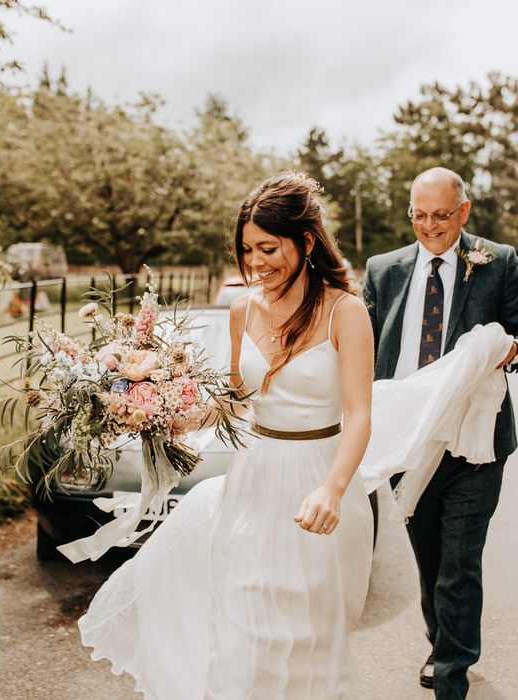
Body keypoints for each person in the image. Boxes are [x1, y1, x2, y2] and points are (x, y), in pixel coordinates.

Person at [78, 173, 375, 699]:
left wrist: (331, 488)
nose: (256, 262)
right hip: (255, 477)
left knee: (310, 629)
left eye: (268, 247)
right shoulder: (243, 309)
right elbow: (237, 398)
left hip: (320, 478)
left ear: (306, 242)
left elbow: (359, 415)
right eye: (247, 249)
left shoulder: (346, 312)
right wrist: (170, 413)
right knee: (244, 620)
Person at [363, 167, 518, 699]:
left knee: (459, 560)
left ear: (464, 211)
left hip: (474, 440)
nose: (429, 226)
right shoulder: (382, 270)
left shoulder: (499, 261)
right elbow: (359, 347)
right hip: (408, 440)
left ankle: (452, 675)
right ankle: (442, 640)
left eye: (441, 216)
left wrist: (502, 347)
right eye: (419, 215)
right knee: (429, 556)